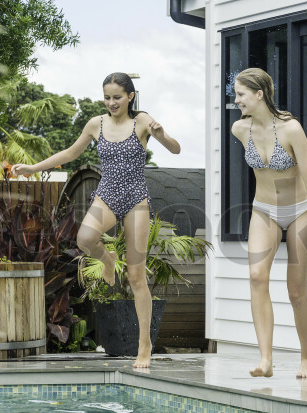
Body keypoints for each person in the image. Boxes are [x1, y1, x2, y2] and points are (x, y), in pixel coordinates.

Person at [12, 72, 181, 368]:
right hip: (107, 195)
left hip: (135, 200)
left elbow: (175, 148)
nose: (111, 102)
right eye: (107, 97)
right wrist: (32, 168)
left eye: (117, 97)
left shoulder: (141, 121)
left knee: (137, 276)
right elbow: (70, 152)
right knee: (85, 239)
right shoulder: (96, 124)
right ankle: (107, 259)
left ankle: (144, 345)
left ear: (130, 96)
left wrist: (162, 133)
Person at [230, 68, 307, 379]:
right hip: (264, 210)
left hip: (300, 209)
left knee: (296, 291)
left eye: (241, 95)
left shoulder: (291, 129)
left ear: (259, 94)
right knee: (257, 276)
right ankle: (265, 360)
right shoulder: (239, 129)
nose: (237, 101)